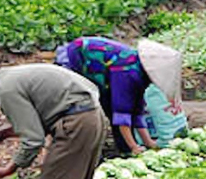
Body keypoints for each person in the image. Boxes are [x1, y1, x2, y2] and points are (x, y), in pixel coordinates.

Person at [54, 37, 184, 156]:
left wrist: (149, 142)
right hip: (78, 60)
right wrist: (134, 147)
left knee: (122, 108)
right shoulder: (127, 72)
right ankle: (78, 150)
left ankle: (124, 147)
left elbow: (137, 111)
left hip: (103, 72)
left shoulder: (141, 75)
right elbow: (122, 112)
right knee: (88, 109)